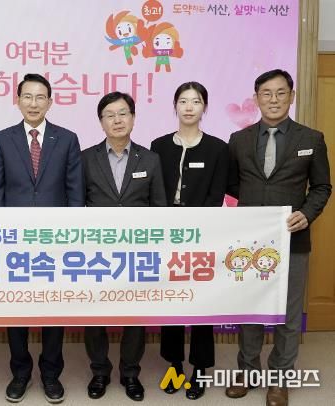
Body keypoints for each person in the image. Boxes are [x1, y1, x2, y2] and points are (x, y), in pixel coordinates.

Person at [226, 69, 331, 406]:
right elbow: (232, 184)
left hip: (293, 240)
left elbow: (322, 187)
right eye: (266, 93)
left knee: (288, 313)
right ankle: (247, 370)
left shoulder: (311, 139)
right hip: (250, 241)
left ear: (292, 96)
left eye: (280, 93)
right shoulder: (238, 140)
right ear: (256, 98)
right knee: (251, 309)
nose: (273, 100)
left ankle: (280, 379)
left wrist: (307, 213)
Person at [0, 73, 84, 404]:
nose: (33, 103)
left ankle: (51, 373)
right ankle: (20, 372)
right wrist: (0, 238)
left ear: (50, 102)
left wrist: (71, 237)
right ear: (17, 101)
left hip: (55, 242)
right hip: (14, 242)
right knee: (16, 310)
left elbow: (74, 192)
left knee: (53, 309)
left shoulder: (67, 139)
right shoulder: (2, 139)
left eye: (40, 97)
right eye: (27, 96)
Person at [81, 91, 166, 402]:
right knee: (94, 315)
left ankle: (130, 373)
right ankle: (99, 371)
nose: (117, 120)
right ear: (101, 122)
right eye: (110, 115)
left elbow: (159, 208)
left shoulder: (151, 159)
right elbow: (77, 206)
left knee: (135, 315)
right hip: (96, 252)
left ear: (133, 118)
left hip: (137, 251)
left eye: (123, 114)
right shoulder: (85, 158)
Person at [150, 81, 228, 400]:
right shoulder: (159, 146)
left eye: (195, 101)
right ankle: (174, 366)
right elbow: (155, 191)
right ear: (175, 106)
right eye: (183, 101)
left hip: (202, 234)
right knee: (172, 302)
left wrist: (195, 227)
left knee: (200, 304)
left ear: (204, 107)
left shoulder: (218, 148)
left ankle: (200, 369)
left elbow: (216, 194)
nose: (189, 107)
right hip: (167, 234)